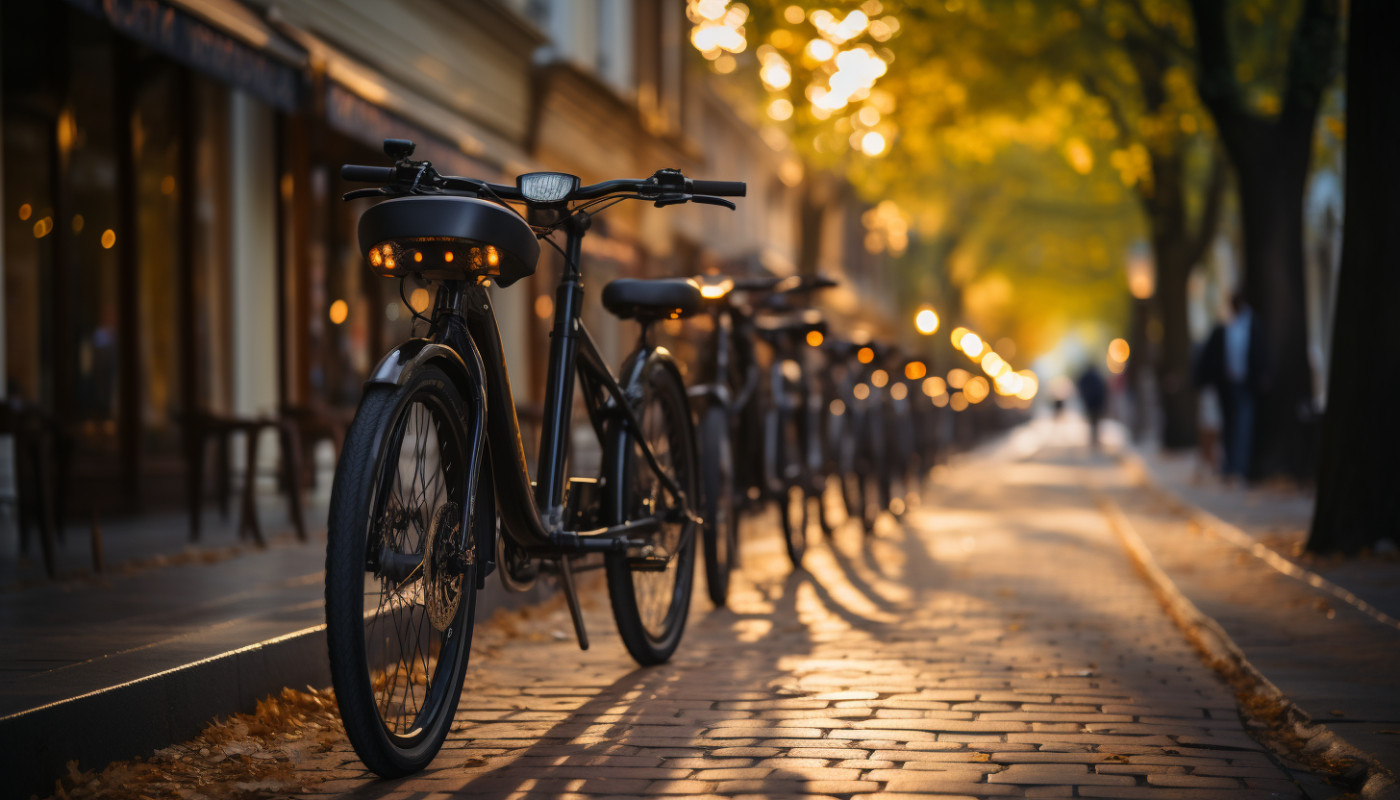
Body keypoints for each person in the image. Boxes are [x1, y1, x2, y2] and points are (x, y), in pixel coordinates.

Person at [1076, 365, 1108, 450]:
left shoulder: (1086, 376)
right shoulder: (1098, 376)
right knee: (1096, 421)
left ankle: (1093, 438)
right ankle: (1095, 438)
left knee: (1092, 420)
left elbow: (1080, 385)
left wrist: (1084, 396)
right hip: (1097, 401)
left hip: (1089, 401)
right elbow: (1103, 389)